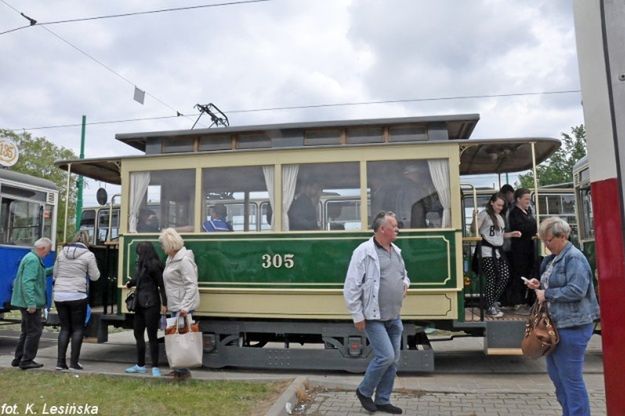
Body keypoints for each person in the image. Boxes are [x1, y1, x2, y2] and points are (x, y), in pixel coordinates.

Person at [526, 217, 600, 416]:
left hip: (573, 325)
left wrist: (547, 294)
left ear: (563, 236)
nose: (546, 245)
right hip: (558, 325)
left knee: (570, 379)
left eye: (548, 240)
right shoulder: (555, 258)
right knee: (558, 377)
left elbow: (577, 290)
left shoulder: (574, 257)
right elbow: (557, 283)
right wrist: (539, 285)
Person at [343, 211, 410, 414]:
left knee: (393, 361)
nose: (397, 229)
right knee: (385, 356)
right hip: (373, 317)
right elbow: (351, 285)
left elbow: (403, 275)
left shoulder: (395, 251)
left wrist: (405, 283)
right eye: (394, 226)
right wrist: (357, 314)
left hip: (394, 315)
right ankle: (364, 391)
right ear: (383, 229)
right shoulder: (363, 251)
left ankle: (382, 400)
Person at [52, 231, 100, 371]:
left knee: (64, 328)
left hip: (59, 295)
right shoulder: (88, 255)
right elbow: (95, 276)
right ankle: (74, 363)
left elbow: (55, 273)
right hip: (77, 295)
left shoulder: (61, 253)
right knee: (77, 329)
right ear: (86, 241)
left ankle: (60, 363)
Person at [159, 228, 200, 379]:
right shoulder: (171, 259)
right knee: (175, 339)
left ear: (170, 245)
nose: (162, 248)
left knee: (182, 339)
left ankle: (183, 372)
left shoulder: (184, 260)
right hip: (174, 305)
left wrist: (185, 307)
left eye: (163, 244)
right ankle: (178, 369)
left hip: (181, 307)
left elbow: (191, 284)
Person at [475, 193, 521, 318]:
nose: (500, 207)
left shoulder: (499, 217)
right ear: (492, 202)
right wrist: (475, 219)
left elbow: (499, 235)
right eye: (498, 205)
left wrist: (511, 234)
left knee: (505, 275)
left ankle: (491, 301)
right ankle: (490, 305)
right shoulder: (484, 215)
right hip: (486, 251)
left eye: (502, 205)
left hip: (497, 251)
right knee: (492, 276)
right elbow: (475, 230)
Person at [125, 242, 167, 377]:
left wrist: (164, 304)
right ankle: (143, 365)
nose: (137, 256)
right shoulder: (149, 264)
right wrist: (130, 283)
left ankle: (152, 366)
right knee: (145, 335)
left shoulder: (153, 265)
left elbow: (161, 285)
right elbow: (140, 279)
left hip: (148, 304)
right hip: (148, 303)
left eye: (139, 253)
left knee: (145, 335)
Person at [11, 237, 53, 370]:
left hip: (23, 301)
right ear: (42, 248)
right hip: (28, 303)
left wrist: (53, 269)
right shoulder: (33, 260)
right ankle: (27, 360)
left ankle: (18, 358)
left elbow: (38, 275)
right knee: (34, 331)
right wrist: (31, 303)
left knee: (26, 331)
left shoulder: (31, 257)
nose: (47, 254)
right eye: (47, 251)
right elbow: (27, 282)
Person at [504, 188, 537, 309]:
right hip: (519, 248)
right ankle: (517, 300)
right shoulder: (514, 212)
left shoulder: (528, 212)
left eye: (529, 199)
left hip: (528, 247)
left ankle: (526, 299)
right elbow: (521, 227)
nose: (528, 201)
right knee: (519, 273)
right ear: (518, 199)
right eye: (526, 199)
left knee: (528, 272)